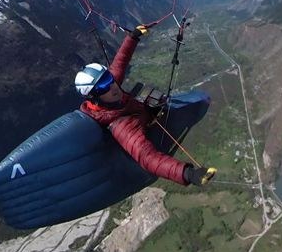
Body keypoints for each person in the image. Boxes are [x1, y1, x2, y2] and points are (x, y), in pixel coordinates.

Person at [74, 24, 217, 186]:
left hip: (142, 112)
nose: (112, 85)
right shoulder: (120, 126)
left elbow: (120, 63)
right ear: (94, 98)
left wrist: (132, 37)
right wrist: (188, 173)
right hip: (144, 127)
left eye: (108, 78)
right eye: (103, 86)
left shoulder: (110, 89)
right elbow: (148, 158)